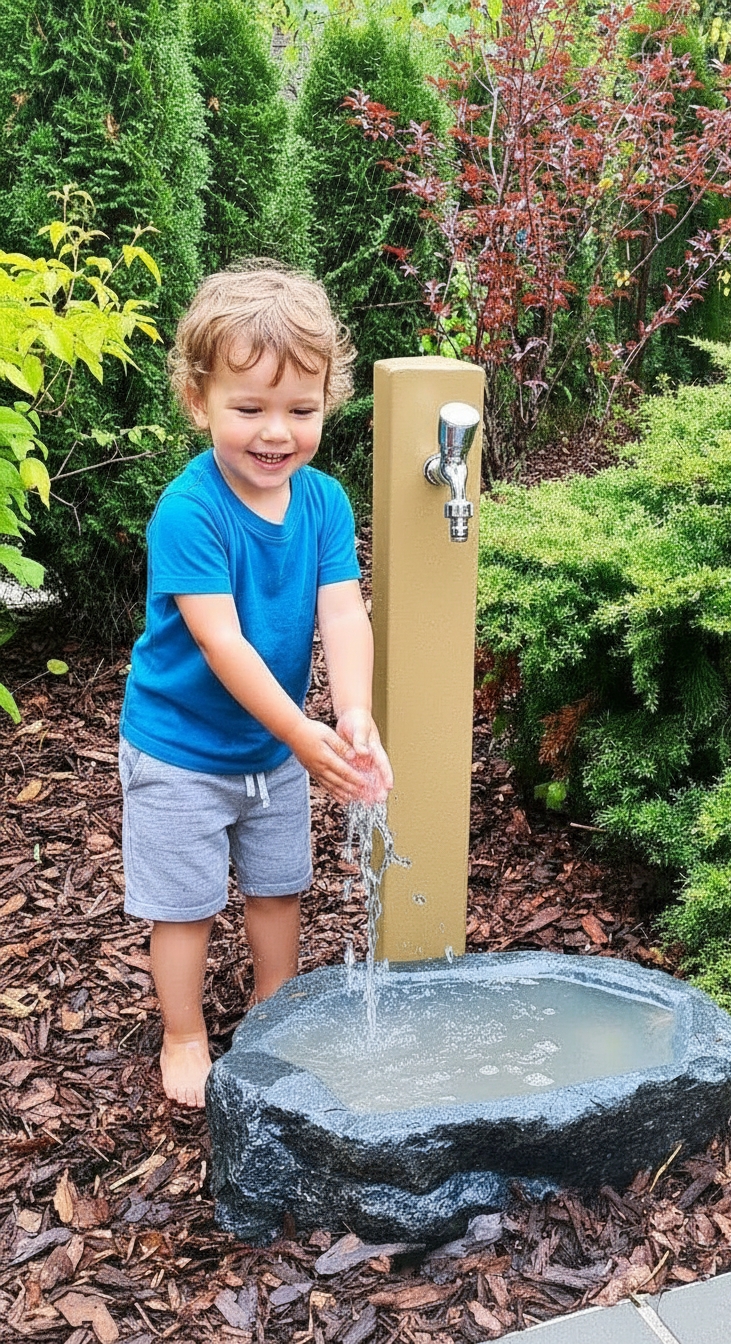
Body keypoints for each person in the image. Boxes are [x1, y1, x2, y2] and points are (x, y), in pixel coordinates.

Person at [119, 261, 393, 1109]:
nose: (277, 433)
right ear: (198, 400)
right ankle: (185, 1033)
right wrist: (301, 734)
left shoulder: (324, 502)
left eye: (301, 411)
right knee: (186, 906)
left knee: (278, 889)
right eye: (250, 409)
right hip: (181, 750)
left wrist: (351, 712)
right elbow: (223, 643)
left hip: (271, 751)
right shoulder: (190, 511)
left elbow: (342, 613)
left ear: (327, 402)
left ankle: (273, 1017)